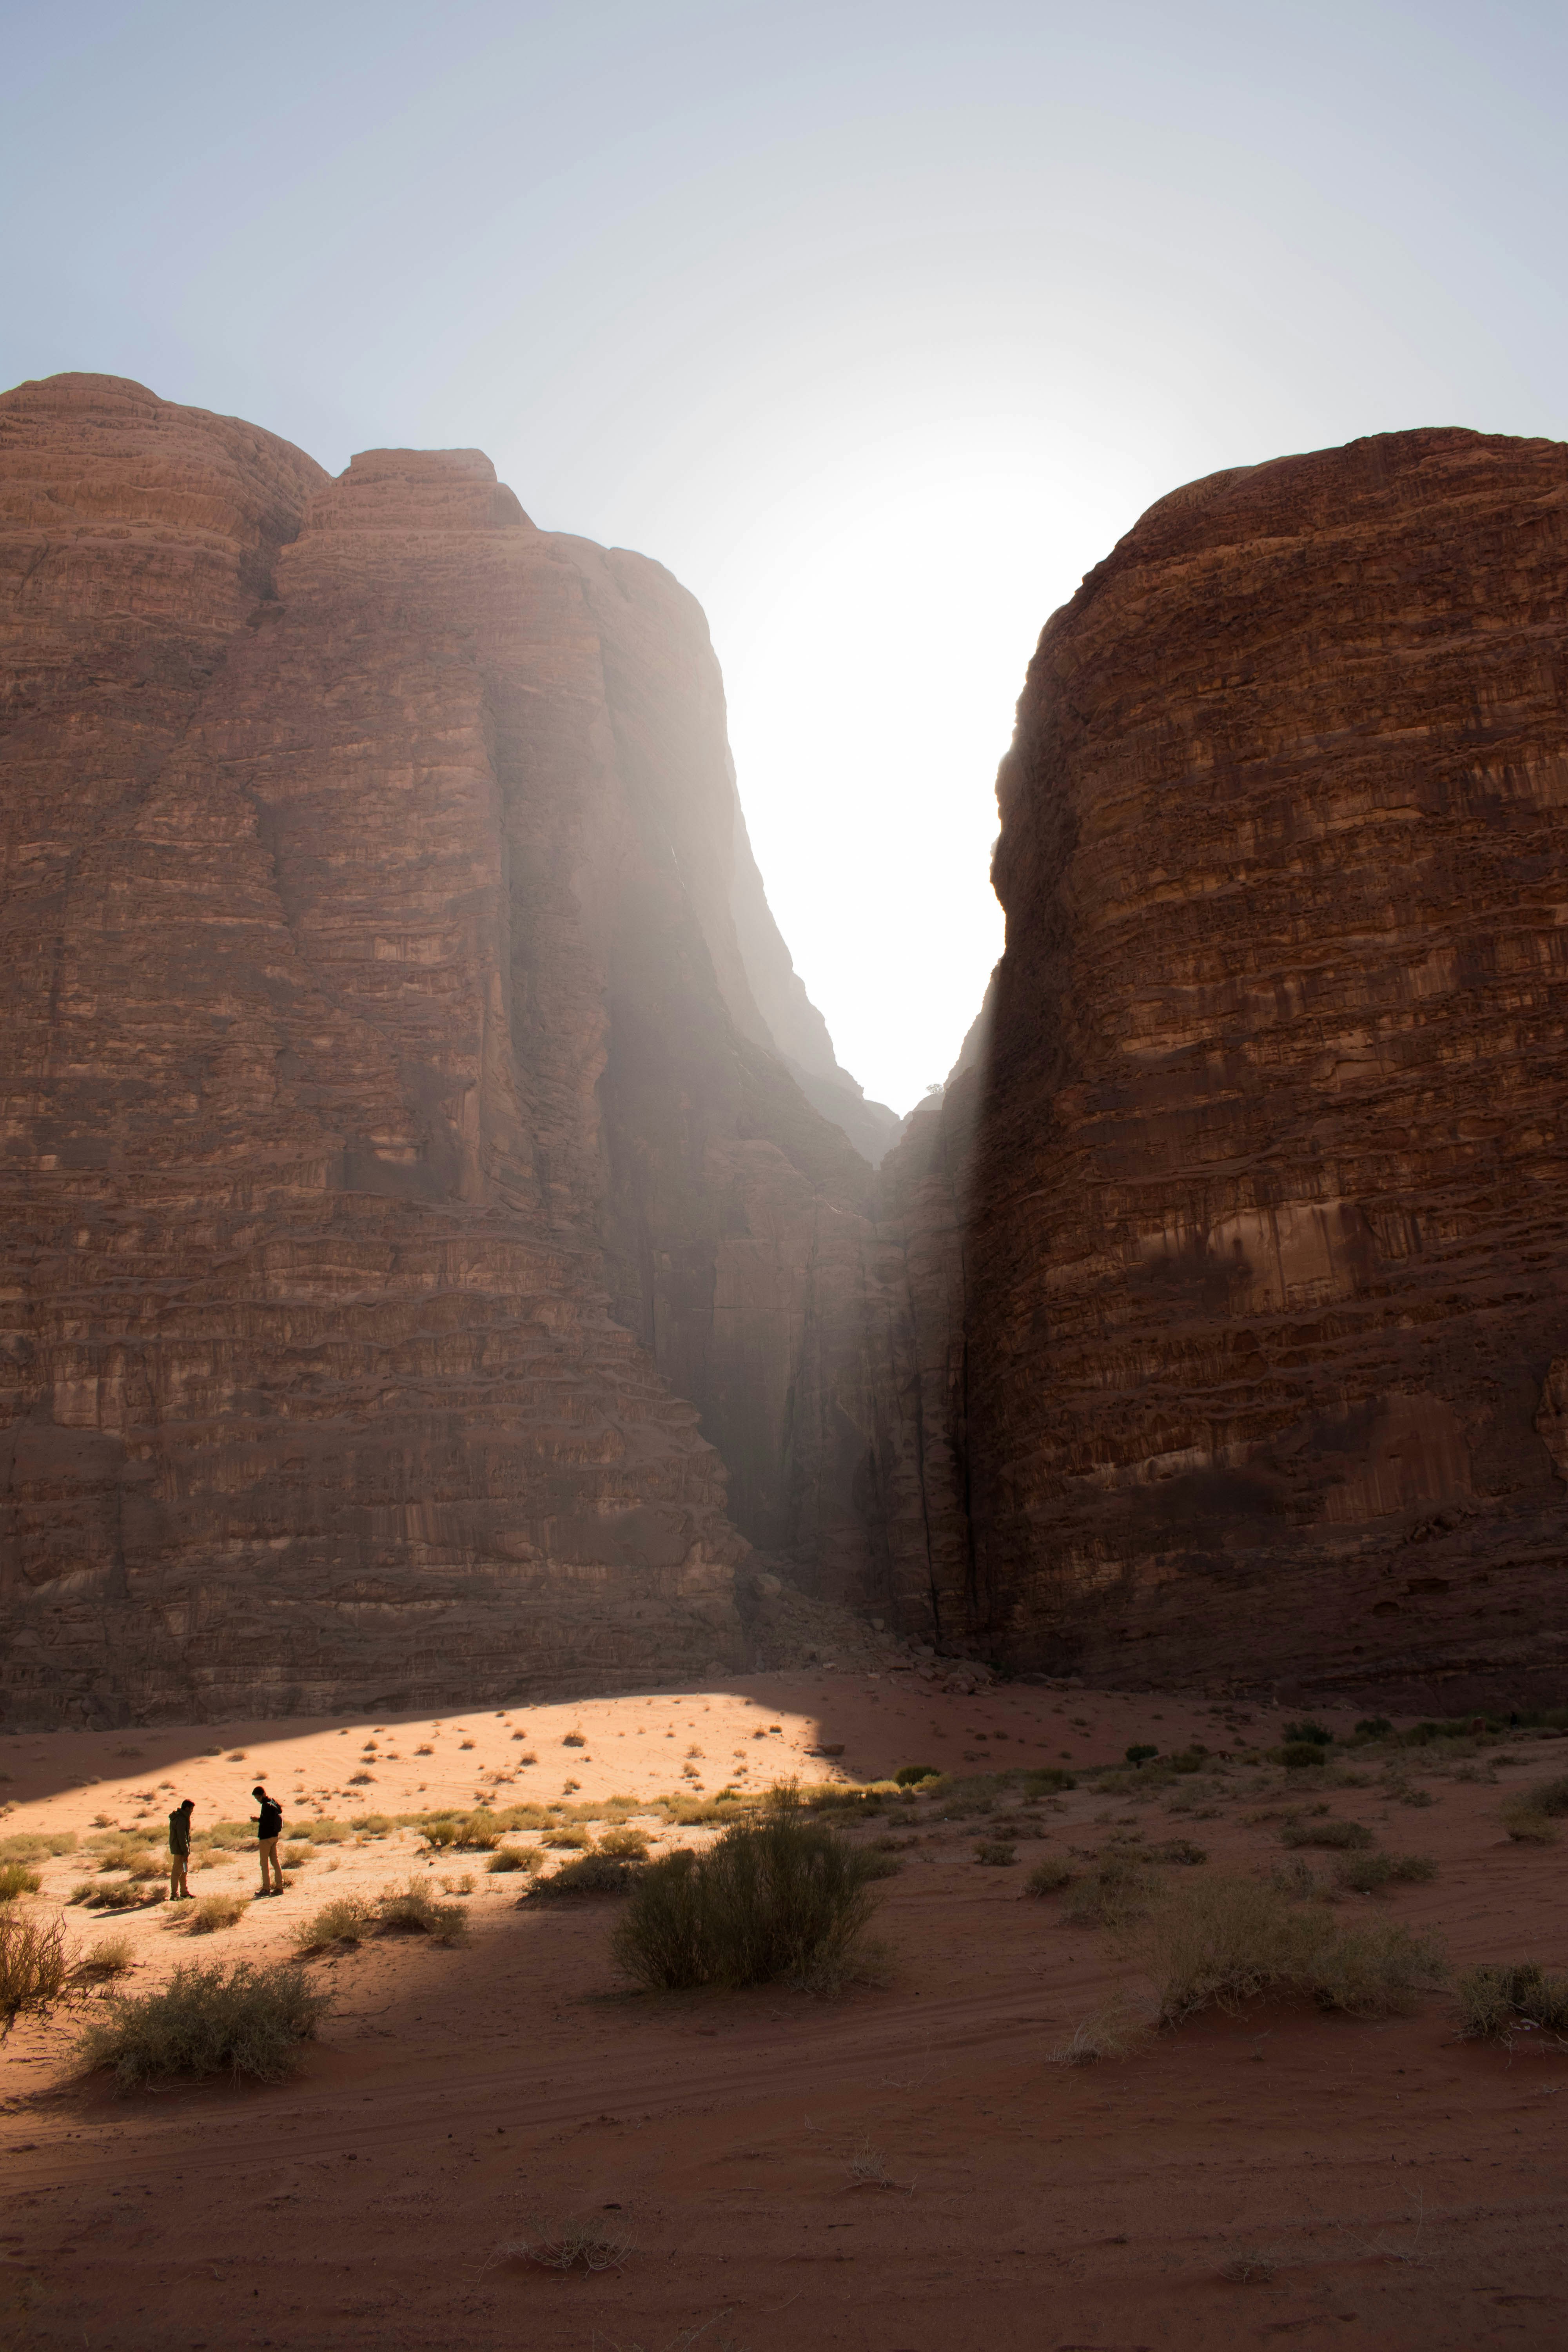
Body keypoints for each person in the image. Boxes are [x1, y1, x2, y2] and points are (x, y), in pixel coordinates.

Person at [251, 1782, 284, 1895]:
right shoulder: (273, 1802)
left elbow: (266, 1821)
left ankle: (266, 1889)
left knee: (264, 1864)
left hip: (266, 1838)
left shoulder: (266, 1805)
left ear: (264, 1794)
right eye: (257, 1799)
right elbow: (280, 1811)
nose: (258, 1800)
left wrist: (258, 1820)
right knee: (275, 1862)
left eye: (259, 1798)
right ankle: (280, 1887)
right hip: (275, 1836)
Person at [168, 1797, 194, 1900]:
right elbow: (182, 1837)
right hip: (180, 1851)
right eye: (192, 1809)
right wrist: (185, 1852)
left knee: (184, 1871)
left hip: (182, 1850)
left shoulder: (181, 1818)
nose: (192, 1811)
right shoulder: (181, 1819)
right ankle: (174, 1895)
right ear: (187, 1809)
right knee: (177, 1872)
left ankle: (184, 1893)